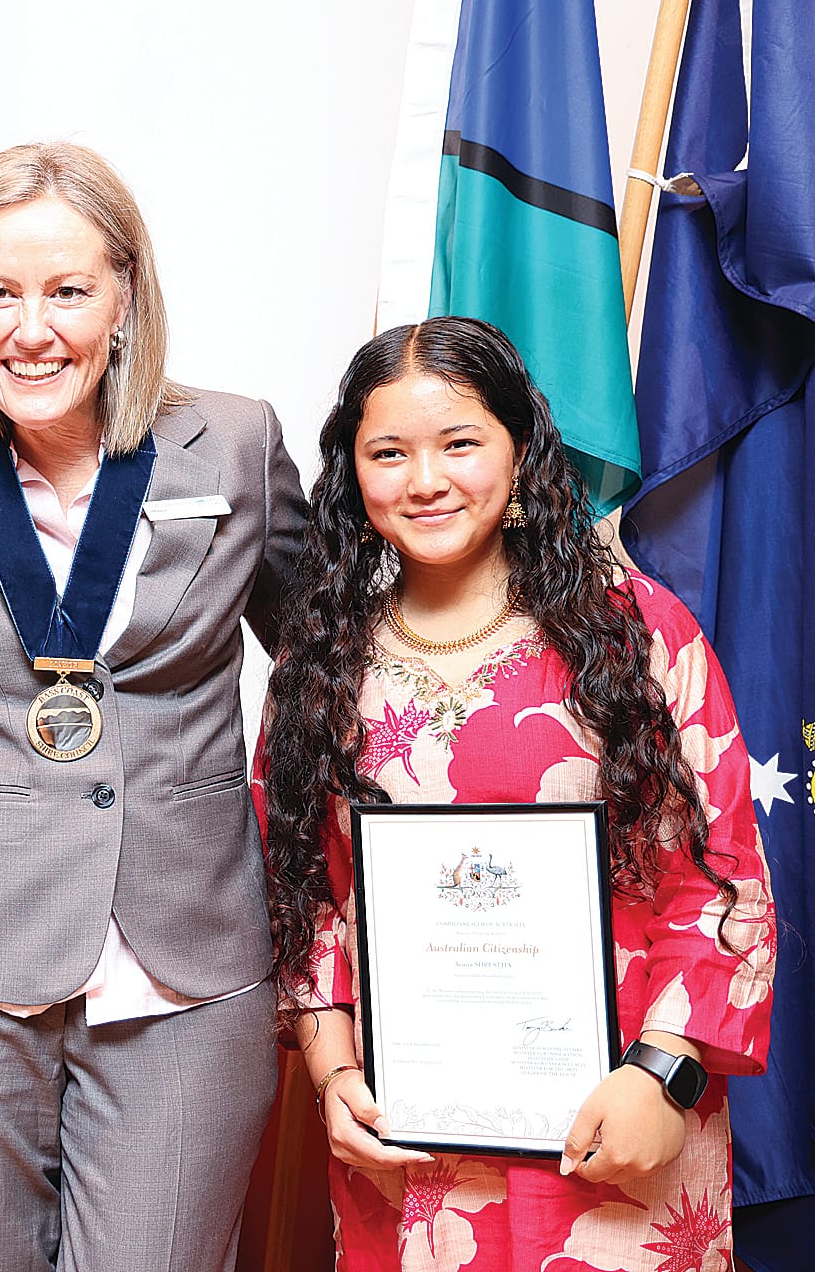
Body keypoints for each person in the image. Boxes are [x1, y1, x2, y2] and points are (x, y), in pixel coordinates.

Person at [0, 141, 309, 1272]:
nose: (28, 329)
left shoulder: (234, 440)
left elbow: (334, 657)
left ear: (124, 296)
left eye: (66, 290)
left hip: (188, 960)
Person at [259, 317, 775, 1270]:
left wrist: (662, 1075)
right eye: (388, 452)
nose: (425, 479)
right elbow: (306, 898)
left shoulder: (633, 631)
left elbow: (722, 881)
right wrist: (333, 1077)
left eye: (459, 442)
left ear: (519, 447)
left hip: (619, 1128)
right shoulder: (319, 661)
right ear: (351, 470)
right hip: (405, 1151)